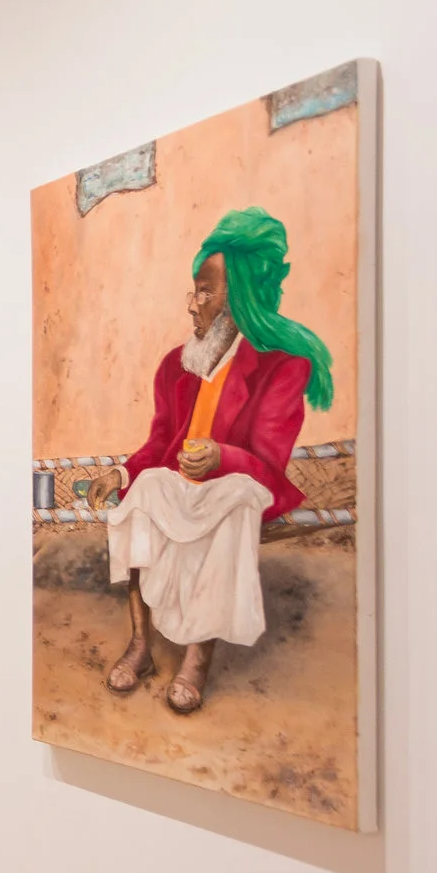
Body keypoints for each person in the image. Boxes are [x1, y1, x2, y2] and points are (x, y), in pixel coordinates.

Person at [105, 207, 333, 713]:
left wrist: (220, 457)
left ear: (243, 298)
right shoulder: (176, 366)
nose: (193, 305)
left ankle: (195, 662)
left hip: (237, 486)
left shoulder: (283, 368)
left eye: (205, 292)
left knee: (229, 503)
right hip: (179, 486)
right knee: (142, 495)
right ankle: (141, 646)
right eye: (195, 291)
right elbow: (158, 442)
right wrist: (120, 472)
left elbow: (268, 464)